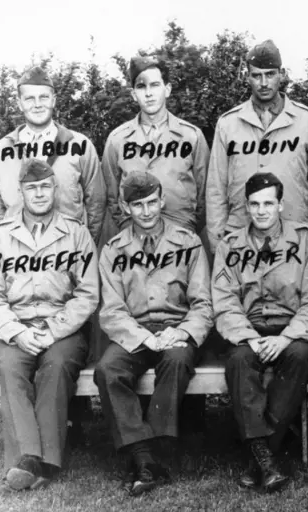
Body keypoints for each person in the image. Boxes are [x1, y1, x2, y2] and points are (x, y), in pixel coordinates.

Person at [0, 160, 99, 490]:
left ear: (55, 190)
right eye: (32, 188)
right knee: (6, 365)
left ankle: (43, 462)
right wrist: (16, 331)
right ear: (21, 192)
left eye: (45, 186)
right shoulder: (0, 237)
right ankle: (31, 458)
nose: (39, 193)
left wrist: (52, 330)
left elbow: (87, 294)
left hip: (63, 329)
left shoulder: (76, 233)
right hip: (17, 327)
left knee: (56, 367)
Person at [95, 172, 213, 495]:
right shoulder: (114, 249)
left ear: (162, 201)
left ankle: (155, 451)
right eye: (137, 205)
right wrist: (145, 338)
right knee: (108, 370)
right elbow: (113, 310)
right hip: (134, 333)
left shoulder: (188, 243)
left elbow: (204, 303)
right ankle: (143, 456)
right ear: (125, 207)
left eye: (151, 203)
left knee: (175, 361)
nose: (146, 212)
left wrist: (183, 332)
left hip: (177, 329)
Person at [212, 172, 308, 492]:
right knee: (238, 361)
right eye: (254, 204)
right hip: (248, 330)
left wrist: (286, 336)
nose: (261, 211)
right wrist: (250, 337)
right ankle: (267, 459)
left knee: (298, 358)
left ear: (281, 205)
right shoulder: (230, 245)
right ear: (246, 207)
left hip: (293, 330)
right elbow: (224, 301)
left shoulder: (307, 239)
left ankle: (260, 458)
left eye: (268, 203)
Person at [206, 40, 308, 254]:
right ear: (247, 77)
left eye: (270, 74)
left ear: (281, 74)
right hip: (240, 237)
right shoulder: (228, 124)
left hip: (295, 236)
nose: (264, 82)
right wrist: (218, 243)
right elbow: (216, 189)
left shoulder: (307, 121)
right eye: (256, 75)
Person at [0, 66, 105, 243]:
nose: (37, 104)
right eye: (29, 98)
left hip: (67, 254)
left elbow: (97, 204)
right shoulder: (1, 151)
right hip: (18, 258)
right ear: (19, 103)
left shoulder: (79, 145)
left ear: (54, 100)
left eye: (43, 97)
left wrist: (85, 248)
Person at [102, 56, 209, 234]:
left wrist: (189, 226)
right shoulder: (117, 140)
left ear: (167, 89)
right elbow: (111, 197)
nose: (149, 93)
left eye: (155, 85)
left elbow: (205, 193)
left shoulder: (191, 136)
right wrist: (127, 226)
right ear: (134, 94)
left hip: (181, 236)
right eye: (141, 87)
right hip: (135, 239)